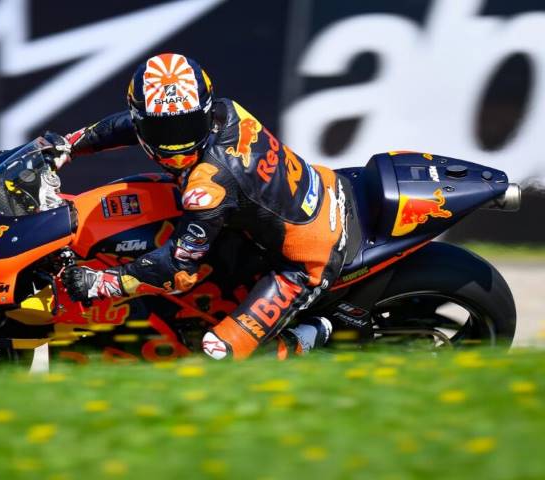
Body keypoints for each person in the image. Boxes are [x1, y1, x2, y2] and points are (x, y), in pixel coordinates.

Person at [55, 53, 351, 360]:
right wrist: (69, 145)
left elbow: (179, 271)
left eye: (187, 127)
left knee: (219, 355)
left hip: (307, 261)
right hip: (321, 190)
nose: (176, 144)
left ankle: (313, 333)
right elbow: (133, 125)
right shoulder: (227, 109)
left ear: (205, 111)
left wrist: (102, 283)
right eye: (164, 132)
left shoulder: (208, 184)